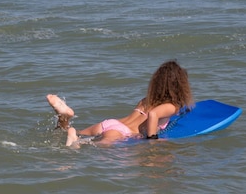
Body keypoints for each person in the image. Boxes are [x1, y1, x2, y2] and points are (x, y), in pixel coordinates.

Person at [47, 60, 194, 147]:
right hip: (122, 132)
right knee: (95, 147)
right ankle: (75, 140)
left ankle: (65, 117)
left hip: (110, 123)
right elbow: (153, 114)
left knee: (68, 133)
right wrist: (152, 141)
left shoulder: (146, 99)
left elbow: (148, 112)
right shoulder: (172, 106)